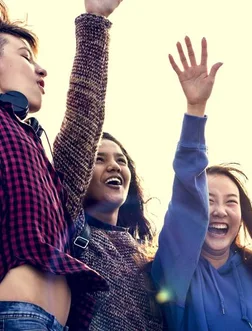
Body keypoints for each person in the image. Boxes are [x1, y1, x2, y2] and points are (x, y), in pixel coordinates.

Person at [151, 37, 252, 331]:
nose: (219, 210)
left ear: (242, 216)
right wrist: (195, 108)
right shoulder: (177, 271)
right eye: (208, 201)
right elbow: (187, 193)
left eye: (231, 202)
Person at [0, 0, 121, 330]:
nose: (41, 69)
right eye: (25, 56)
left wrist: (95, 20)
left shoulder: (34, 148)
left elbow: (84, 118)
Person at [62, 131, 163, 331]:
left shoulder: (144, 254)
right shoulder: (71, 229)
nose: (114, 166)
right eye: (98, 159)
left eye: (121, 161)